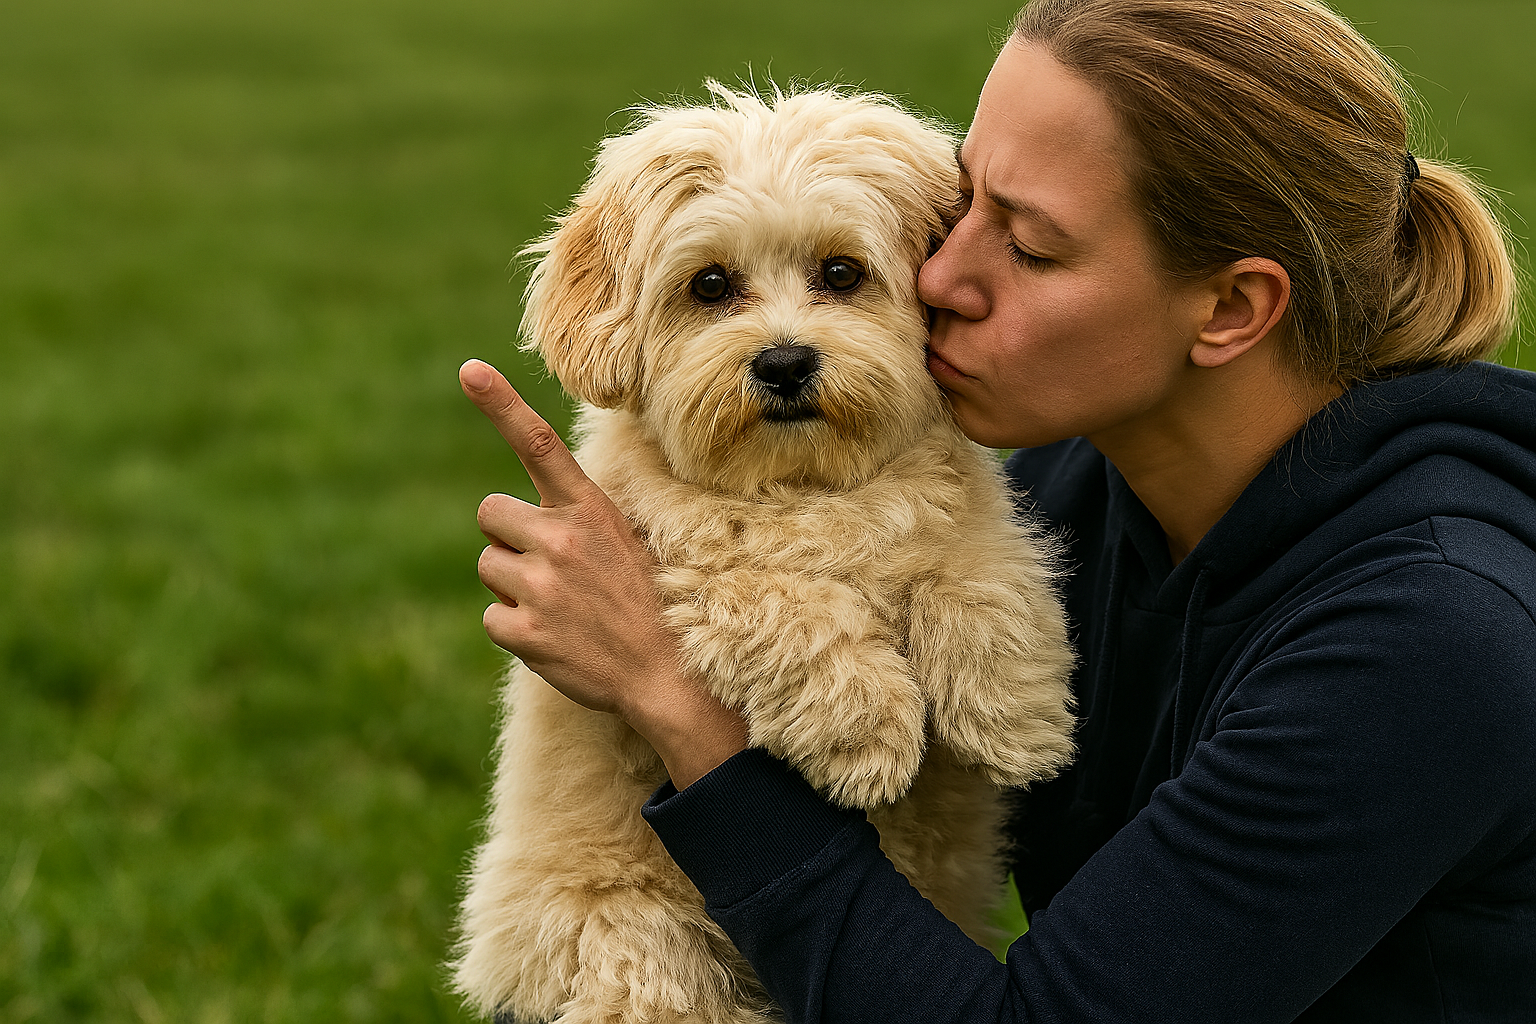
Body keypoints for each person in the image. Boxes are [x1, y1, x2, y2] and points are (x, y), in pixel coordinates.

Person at [458, 0, 1536, 1019]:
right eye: (962, 204)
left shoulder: (1428, 639)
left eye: (1027, 245)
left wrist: (672, 691)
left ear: (1232, 306)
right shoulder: (1078, 492)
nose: (939, 275)